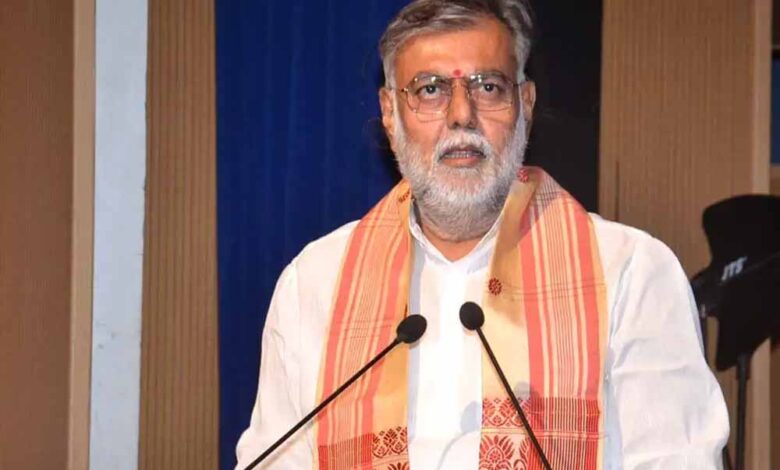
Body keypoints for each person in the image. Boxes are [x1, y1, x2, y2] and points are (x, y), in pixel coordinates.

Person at [235, 0, 730, 468]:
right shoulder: (315, 284)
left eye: (488, 87)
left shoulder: (630, 272)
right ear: (389, 113)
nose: (461, 115)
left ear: (525, 104)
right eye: (430, 89)